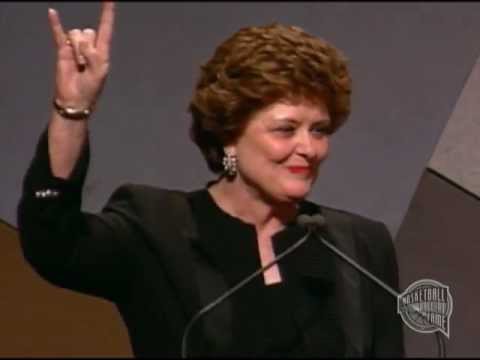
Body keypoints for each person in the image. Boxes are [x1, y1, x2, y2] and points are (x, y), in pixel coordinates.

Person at [17, 2, 404, 357]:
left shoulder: (359, 246)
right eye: (286, 129)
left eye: (319, 130)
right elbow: (54, 244)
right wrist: (73, 110)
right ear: (229, 132)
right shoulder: (157, 228)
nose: (309, 148)